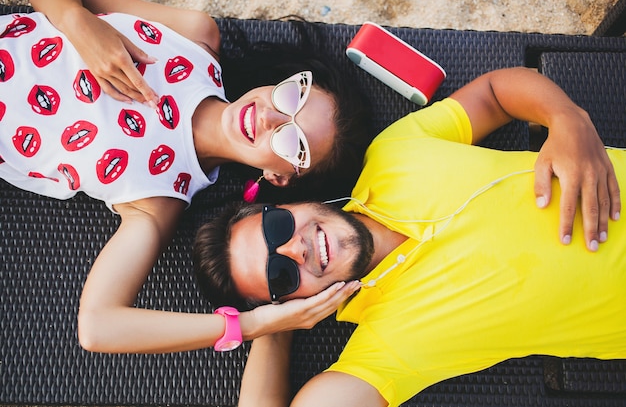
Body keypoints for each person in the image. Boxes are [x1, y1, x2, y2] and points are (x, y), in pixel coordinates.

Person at [193, 67, 624, 407]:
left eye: (275, 228)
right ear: (291, 304)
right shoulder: (385, 349)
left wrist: (566, 117)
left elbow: (493, 93)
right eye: (281, 275)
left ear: (282, 205)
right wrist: (268, 326)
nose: (294, 248)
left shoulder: (392, 153)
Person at [0, 0, 369, 354]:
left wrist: (258, 325)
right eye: (291, 97)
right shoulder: (195, 37)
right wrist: (79, 24)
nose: (268, 117)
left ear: (280, 177)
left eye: (293, 142)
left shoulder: (156, 199)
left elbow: (98, 328)